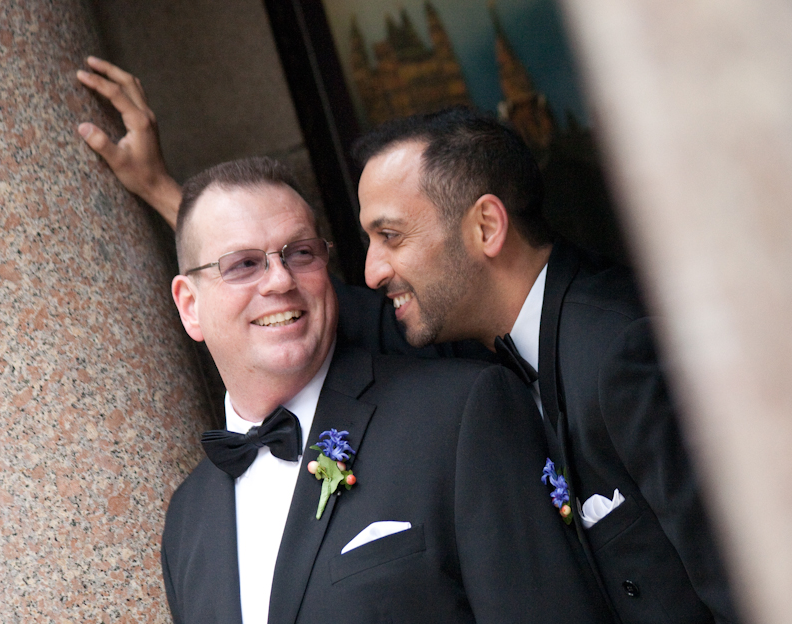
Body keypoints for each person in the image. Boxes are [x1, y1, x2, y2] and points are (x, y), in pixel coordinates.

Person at [77, 59, 739, 624]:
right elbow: (288, 302)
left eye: (389, 237)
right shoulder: (454, 334)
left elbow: (748, 576)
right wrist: (170, 196)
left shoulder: (622, 346)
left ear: (485, 228)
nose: (371, 271)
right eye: (363, 243)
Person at [160, 155, 610, 624]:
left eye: (301, 254)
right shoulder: (188, 520)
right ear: (190, 307)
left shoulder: (458, 415)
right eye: (244, 264)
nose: (280, 280)